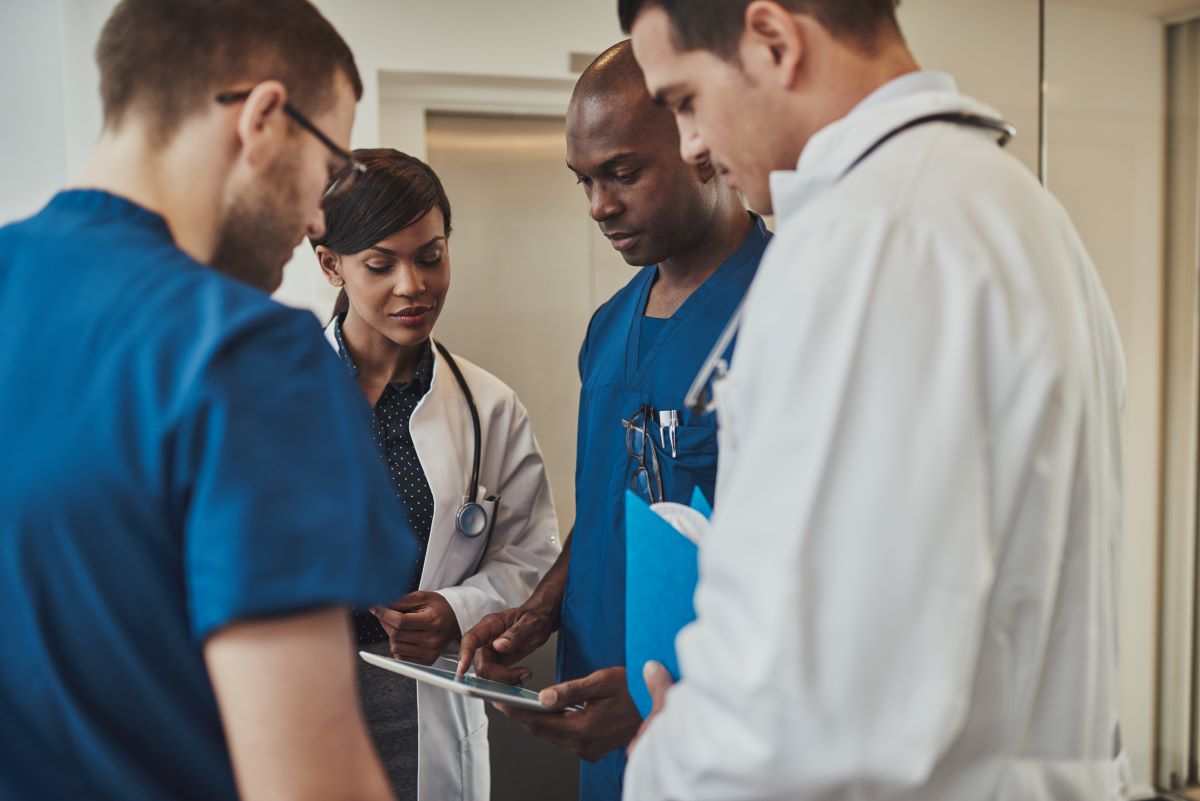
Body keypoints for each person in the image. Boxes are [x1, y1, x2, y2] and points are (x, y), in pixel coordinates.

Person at [617, 1, 1129, 800]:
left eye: (686, 101)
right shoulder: (1018, 209)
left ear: (774, 40)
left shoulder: (867, 244)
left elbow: (815, 703)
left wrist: (668, 757)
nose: (692, 145)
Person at [0, 2, 420, 799]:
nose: (316, 217)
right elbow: (309, 783)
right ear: (263, 117)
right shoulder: (244, 353)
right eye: (328, 173)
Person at [456, 40, 772, 801]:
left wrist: (659, 697)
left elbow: (811, 577)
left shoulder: (786, 312)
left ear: (701, 145)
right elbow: (612, 505)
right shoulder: (608, 326)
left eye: (623, 173)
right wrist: (539, 612)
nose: (599, 205)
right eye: (585, 181)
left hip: (720, 744)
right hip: (598, 737)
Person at [309, 148, 561, 801]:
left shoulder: (488, 407)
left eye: (430, 255)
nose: (412, 285)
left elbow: (532, 557)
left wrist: (457, 607)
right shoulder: (270, 394)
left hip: (428, 705)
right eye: (379, 263)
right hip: (302, 699)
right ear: (330, 263)